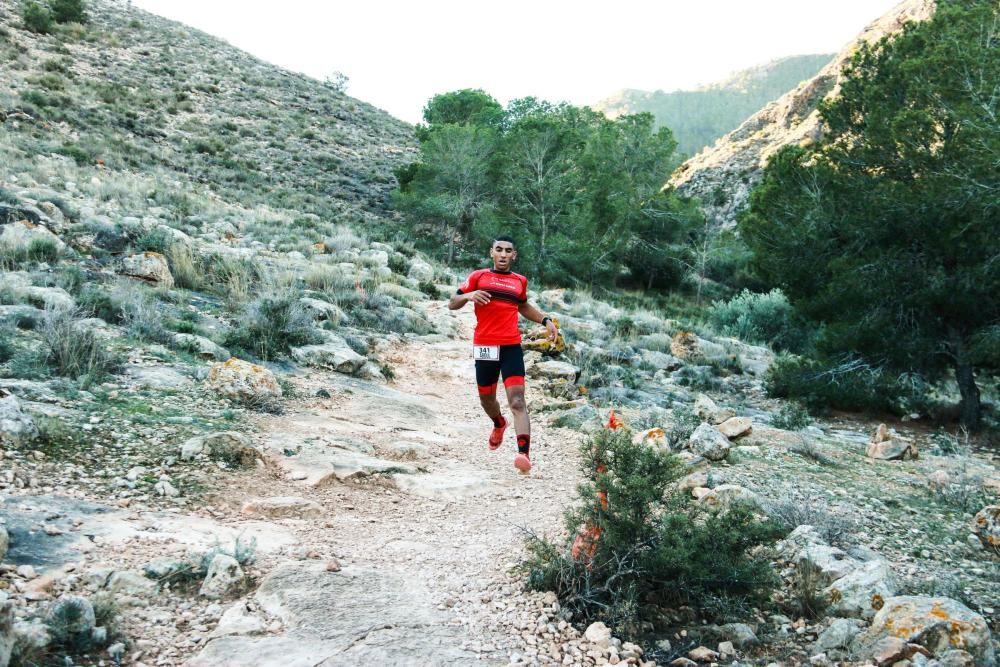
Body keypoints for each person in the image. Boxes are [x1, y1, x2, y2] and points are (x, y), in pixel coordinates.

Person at [448, 235, 558, 473]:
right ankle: (499, 423)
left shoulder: (520, 281)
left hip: (510, 346)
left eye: (508, 250)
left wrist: (545, 320)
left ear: (514, 255)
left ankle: (524, 455)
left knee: (517, 400)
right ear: (492, 253)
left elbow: (522, 306)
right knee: (487, 400)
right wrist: (468, 296)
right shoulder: (479, 277)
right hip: (486, 346)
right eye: (499, 250)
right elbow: (452, 302)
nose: (504, 254)